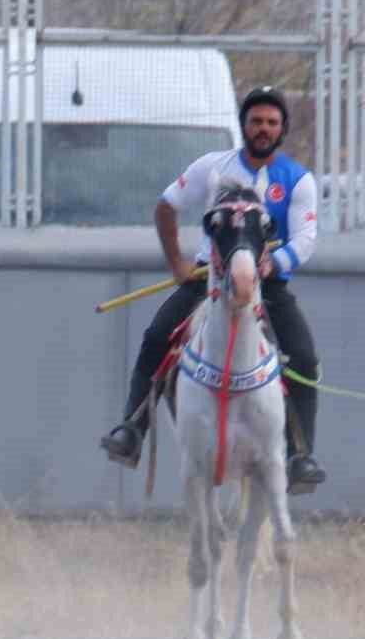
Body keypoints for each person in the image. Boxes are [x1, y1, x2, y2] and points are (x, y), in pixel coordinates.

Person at [100, 85, 325, 493]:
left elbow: (306, 239)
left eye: (271, 122)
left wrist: (274, 262)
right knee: (156, 337)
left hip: (269, 286)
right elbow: (166, 206)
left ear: (282, 129)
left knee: (305, 359)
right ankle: (131, 429)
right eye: (256, 121)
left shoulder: (298, 180)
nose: (263, 128)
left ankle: (300, 455)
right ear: (244, 125)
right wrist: (178, 264)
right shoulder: (210, 166)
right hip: (210, 282)